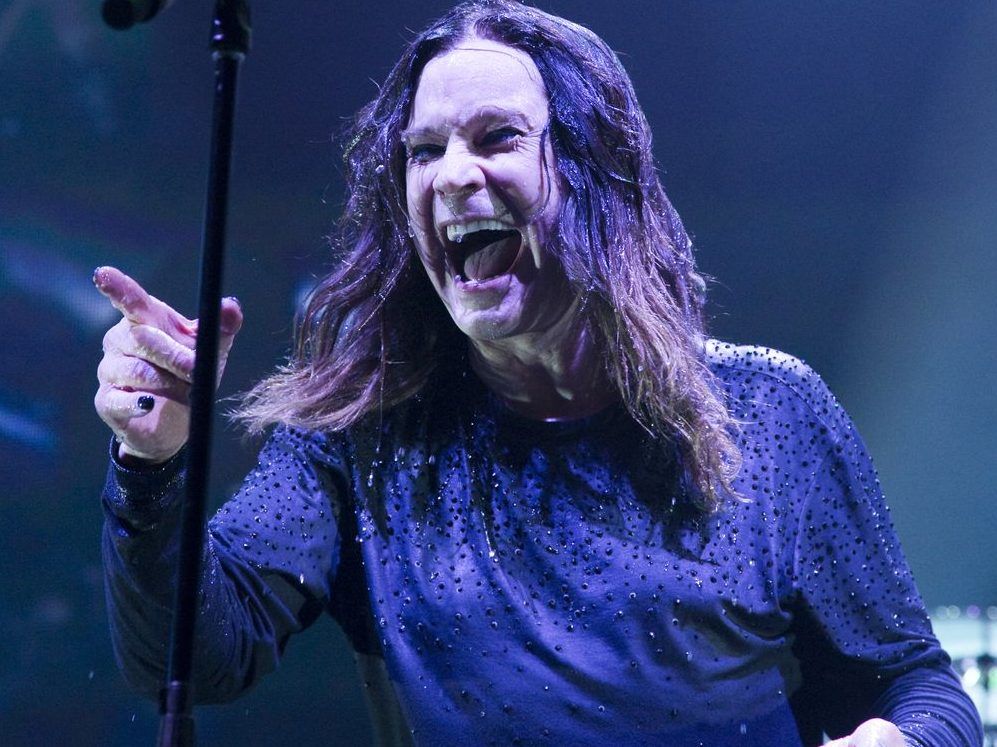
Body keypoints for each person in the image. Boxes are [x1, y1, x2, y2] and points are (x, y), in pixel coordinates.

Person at [93, 2, 983, 745]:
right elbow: (196, 655)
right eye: (423, 150)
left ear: (598, 174)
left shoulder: (767, 411)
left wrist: (897, 739)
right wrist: (153, 460)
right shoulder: (359, 433)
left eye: (497, 138)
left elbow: (922, 688)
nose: (452, 177)